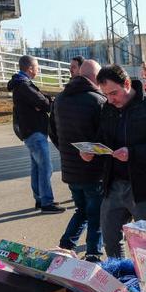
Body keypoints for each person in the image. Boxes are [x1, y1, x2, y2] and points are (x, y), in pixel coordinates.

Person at [80, 65, 146, 258]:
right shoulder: (108, 108)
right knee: (110, 240)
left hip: (144, 188)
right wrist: (91, 151)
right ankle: (120, 280)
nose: (111, 99)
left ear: (127, 84)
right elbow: (102, 138)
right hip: (113, 185)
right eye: (106, 94)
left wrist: (132, 153)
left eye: (114, 93)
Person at [50, 59, 106, 262]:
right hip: (94, 169)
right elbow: (105, 135)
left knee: (81, 210)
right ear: (96, 78)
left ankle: (65, 246)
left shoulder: (60, 98)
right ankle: (93, 253)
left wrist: (68, 152)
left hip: (70, 168)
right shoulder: (97, 100)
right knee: (95, 214)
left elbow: (53, 133)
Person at [8, 55, 65, 214]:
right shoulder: (24, 86)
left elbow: (42, 101)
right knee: (46, 168)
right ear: (30, 68)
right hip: (34, 132)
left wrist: (43, 103)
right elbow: (45, 103)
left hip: (31, 131)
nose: (38, 69)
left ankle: (40, 199)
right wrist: (44, 104)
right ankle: (47, 202)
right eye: (37, 66)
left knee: (37, 168)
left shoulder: (23, 84)